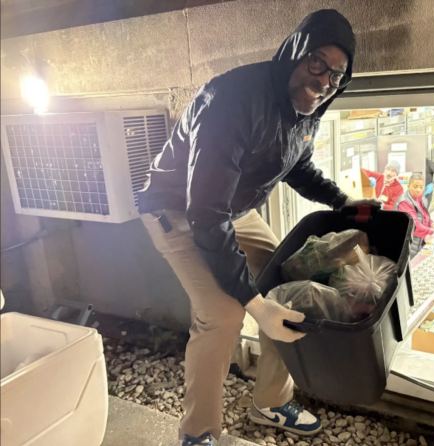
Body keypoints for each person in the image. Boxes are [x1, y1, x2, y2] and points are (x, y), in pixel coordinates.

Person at [137, 10, 379, 446]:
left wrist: (342, 201)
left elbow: (296, 163)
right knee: (224, 314)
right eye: (317, 64)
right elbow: (206, 215)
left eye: (337, 76)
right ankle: (197, 433)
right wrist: (254, 303)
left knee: (289, 279)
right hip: (177, 211)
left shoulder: (309, 106)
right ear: (294, 54)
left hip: (232, 207)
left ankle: (270, 401)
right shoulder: (231, 101)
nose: (324, 82)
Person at [395, 173, 434, 258]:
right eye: (415, 186)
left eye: (421, 187)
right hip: (408, 244)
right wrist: (433, 232)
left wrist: (431, 223)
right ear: (409, 186)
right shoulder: (405, 202)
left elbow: (424, 216)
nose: (418, 190)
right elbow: (414, 226)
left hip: (419, 242)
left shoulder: (421, 199)